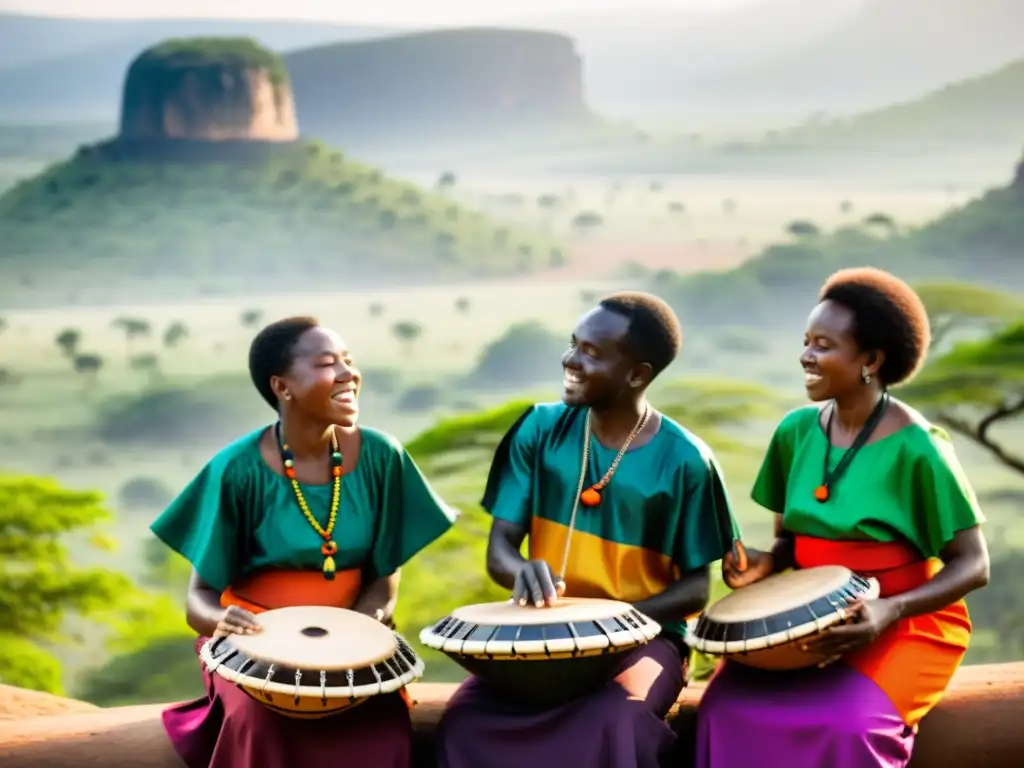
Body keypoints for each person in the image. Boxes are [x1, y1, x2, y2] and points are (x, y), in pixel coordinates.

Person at [695, 267, 991, 768]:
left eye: (823, 345)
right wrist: (766, 565)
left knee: (848, 727)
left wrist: (888, 612)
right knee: (722, 709)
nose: (806, 356)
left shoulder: (920, 448)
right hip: (805, 623)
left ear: (870, 360)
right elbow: (789, 543)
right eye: (806, 341)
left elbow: (973, 565)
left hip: (902, 622)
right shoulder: (795, 432)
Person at [436, 292, 740, 768]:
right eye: (573, 344)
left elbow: (696, 589)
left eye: (591, 353)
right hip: (542, 637)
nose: (570, 360)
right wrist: (520, 572)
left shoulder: (686, 461)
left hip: (646, 641)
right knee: (465, 721)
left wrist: (609, 629)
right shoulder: (538, 430)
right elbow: (500, 551)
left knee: (618, 722)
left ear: (637, 374)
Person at [149, 316, 457, 768]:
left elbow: (384, 576)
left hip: (351, 641)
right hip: (254, 651)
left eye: (349, 361)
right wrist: (223, 621)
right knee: (261, 722)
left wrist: (355, 635)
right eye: (328, 364)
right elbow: (199, 600)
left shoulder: (381, 457)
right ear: (283, 387)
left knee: (382, 725)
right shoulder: (236, 470)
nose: (349, 374)